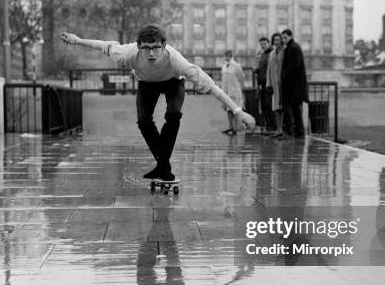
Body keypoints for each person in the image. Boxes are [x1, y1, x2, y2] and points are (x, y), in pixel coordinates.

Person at [60, 25, 255, 181]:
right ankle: (164, 167)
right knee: (143, 121)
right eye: (146, 48)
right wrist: (77, 41)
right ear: (139, 47)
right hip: (147, 85)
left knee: (173, 115)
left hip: (173, 83)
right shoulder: (127, 53)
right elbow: (104, 45)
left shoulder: (176, 59)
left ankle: (162, 166)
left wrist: (239, 112)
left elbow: (212, 86)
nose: (151, 54)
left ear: (163, 46)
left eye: (156, 48)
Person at [280, 28, 309, 138]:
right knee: (296, 109)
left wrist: (284, 74)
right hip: (296, 85)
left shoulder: (292, 48)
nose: (283, 40)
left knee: (289, 107)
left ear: (291, 36)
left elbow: (294, 65)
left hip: (292, 85)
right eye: (282, 38)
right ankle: (299, 132)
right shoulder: (293, 47)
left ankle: (291, 131)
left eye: (285, 38)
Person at [220, 50, 245, 135]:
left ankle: (235, 127)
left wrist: (240, 88)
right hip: (226, 91)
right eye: (225, 56)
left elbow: (242, 77)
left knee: (235, 109)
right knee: (228, 109)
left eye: (228, 56)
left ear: (231, 56)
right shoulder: (223, 66)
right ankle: (230, 126)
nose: (227, 57)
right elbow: (223, 79)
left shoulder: (236, 66)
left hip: (235, 91)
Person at [266, 32, 285, 138]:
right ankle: (278, 129)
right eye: (275, 40)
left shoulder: (284, 51)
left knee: (283, 107)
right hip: (274, 84)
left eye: (278, 40)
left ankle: (283, 129)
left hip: (283, 83)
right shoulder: (272, 53)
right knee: (276, 107)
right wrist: (268, 83)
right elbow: (269, 69)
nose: (276, 42)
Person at [254, 37, 274, 134]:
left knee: (269, 106)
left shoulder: (271, 53)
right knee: (264, 107)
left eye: (264, 44)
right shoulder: (263, 54)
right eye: (261, 44)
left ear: (269, 43)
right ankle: (268, 127)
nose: (262, 46)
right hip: (262, 84)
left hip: (269, 84)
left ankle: (271, 128)